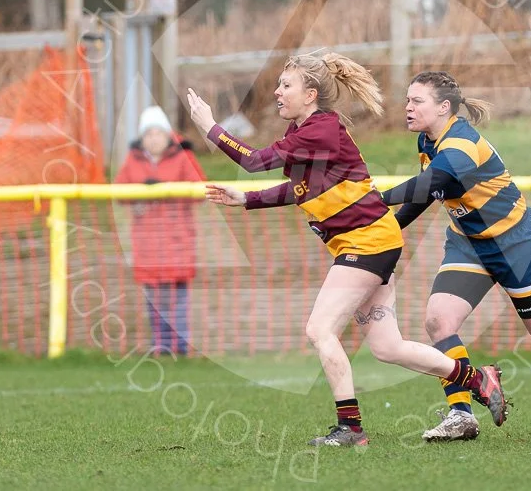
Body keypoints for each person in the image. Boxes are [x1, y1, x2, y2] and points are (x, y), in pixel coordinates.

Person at [183, 51, 507, 448]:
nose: (277, 92)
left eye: (286, 85)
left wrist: (210, 127)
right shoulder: (308, 133)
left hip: (367, 243)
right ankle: (477, 379)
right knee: (388, 348)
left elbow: (252, 160)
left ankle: (350, 428)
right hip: (372, 241)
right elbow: (301, 189)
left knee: (320, 329)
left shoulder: (319, 131)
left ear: (311, 94)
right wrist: (247, 200)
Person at [379, 71, 531, 442]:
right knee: (438, 321)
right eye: (408, 99)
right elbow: (425, 195)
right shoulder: (427, 140)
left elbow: (431, 183)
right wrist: (389, 228)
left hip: (518, 246)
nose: (408, 106)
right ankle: (461, 414)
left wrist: (375, 200)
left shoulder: (461, 142)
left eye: (417, 100)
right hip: (470, 244)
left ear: (444, 107)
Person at [114, 106, 206, 357]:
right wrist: (141, 193)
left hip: (178, 241)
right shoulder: (133, 160)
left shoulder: (183, 157)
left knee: (177, 297)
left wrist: (166, 188)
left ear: (168, 135)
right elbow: (119, 192)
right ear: (142, 138)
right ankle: (162, 346)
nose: (153, 138)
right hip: (147, 242)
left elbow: (199, 190)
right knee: (154, 299)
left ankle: (181, 346)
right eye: (148, 134)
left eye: (158, 133)